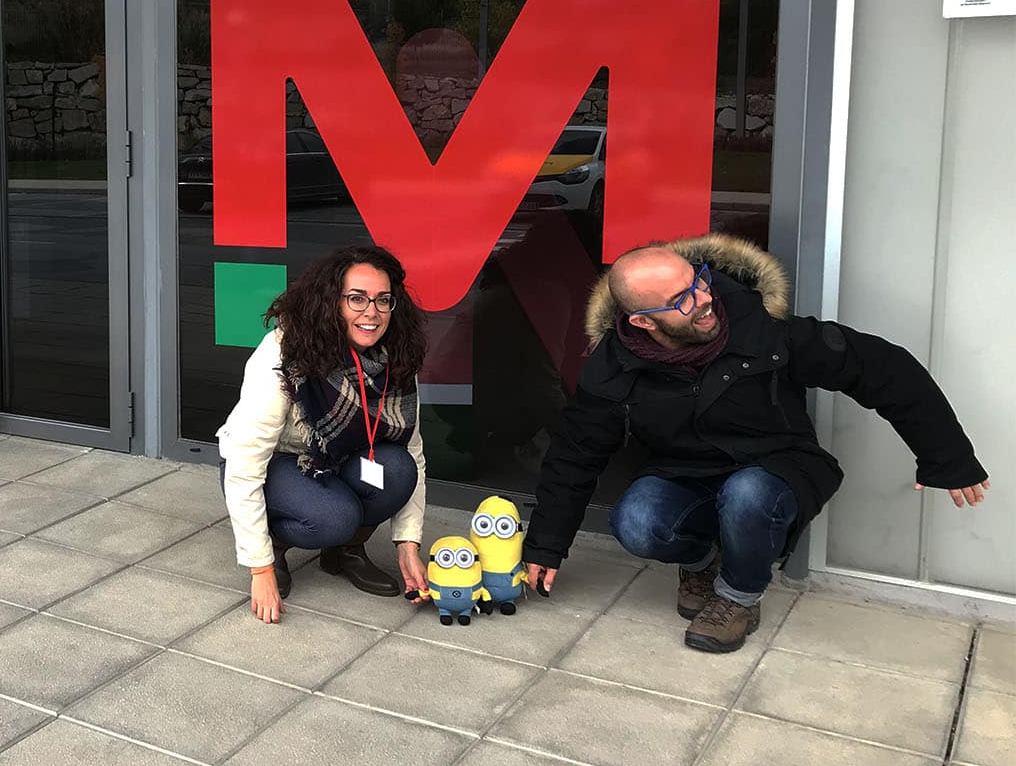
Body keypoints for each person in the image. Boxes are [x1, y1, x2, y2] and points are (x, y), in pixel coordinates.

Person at [523, 233, 991, 654]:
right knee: (638, 521)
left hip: (778, 467)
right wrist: (546, 545)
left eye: (698, 281)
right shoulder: (614, 369)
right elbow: (574, 453)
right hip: (686, 474)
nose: (703, 299)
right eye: (681, 300)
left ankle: (737, 597)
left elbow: (882, 367)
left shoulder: (762, 329)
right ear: (644, 323)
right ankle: (702, 560)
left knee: (747, 495)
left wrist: (947, 458)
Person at [218, 245, 430, 623]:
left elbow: (412, 451)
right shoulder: (286, 354)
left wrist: (408, 544)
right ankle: (279, 545)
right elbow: (246, 460)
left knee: (397, 469)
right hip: (275, 463)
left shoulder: (394, 355)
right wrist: (260, 567)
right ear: (331, 302)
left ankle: (345, 551)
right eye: (356, 299)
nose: (372, 312)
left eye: (383, 300)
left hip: (340, 459)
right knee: (334, 516)